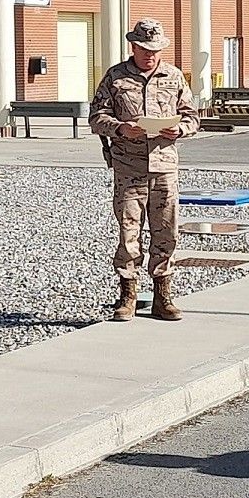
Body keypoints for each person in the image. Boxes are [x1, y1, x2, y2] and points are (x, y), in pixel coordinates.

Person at [89, 18, 199, 322]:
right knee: (129, 233)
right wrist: (122, 128)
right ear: (133, 46)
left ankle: (163, 297)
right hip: (129, 167)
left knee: (166, 231)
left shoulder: (173, 76)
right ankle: (127, 296)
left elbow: (192, 116)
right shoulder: (116, 77)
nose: (150, 55)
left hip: (164, 166)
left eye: (155, 49)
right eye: (144, 49)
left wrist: (181, 130)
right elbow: (97, 117)